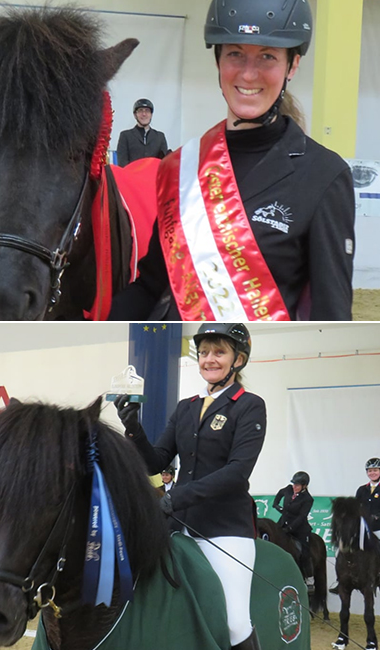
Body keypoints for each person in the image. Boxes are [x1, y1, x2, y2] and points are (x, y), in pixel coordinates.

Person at [109, 0, 355, 321]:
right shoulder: (180, 168)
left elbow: (331, 315)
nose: (248, 73)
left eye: (268, 56)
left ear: (292, 65)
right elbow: (152, 286)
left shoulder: (324, 175)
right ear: (218, 60)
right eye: (235, 54)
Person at [116, 322, 265, 650]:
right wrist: (133, 429)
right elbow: (157, 461)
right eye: (204, 353)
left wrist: (176, 497)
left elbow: (238, 472)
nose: (210, 359)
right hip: (179, 526)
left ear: (238, 360)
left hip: (225, 527)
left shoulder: (250, 405)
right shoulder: (186, 407)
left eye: (220, 352)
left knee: (235, 622)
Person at [273, 471, 314, 579]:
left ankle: (308, 577)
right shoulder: (288, 489)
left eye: (297, 485)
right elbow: (280, 493)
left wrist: (290, 528)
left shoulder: (308, 499)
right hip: (283, 522)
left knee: (304, 552)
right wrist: (276, 504)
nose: (294, 487)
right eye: (294, 484)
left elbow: (302, 516)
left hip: (299, 528)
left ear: (304, 486)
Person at [115, 98, 169, 165]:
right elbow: (122, 162)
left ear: (151, 115)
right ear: (135, 115)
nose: (144, 114)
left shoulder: (160, 137)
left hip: (153, 174)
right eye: (140, 111)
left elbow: (163, 163)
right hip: (131, 174)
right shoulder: (125, 136)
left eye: (147, 111)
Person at [356, 458, 380, 540]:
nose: (372, 473)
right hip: (363, 527)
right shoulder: (362, 489)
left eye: (375, 470)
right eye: (370, 471)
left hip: (378, 527)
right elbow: (356, 506)